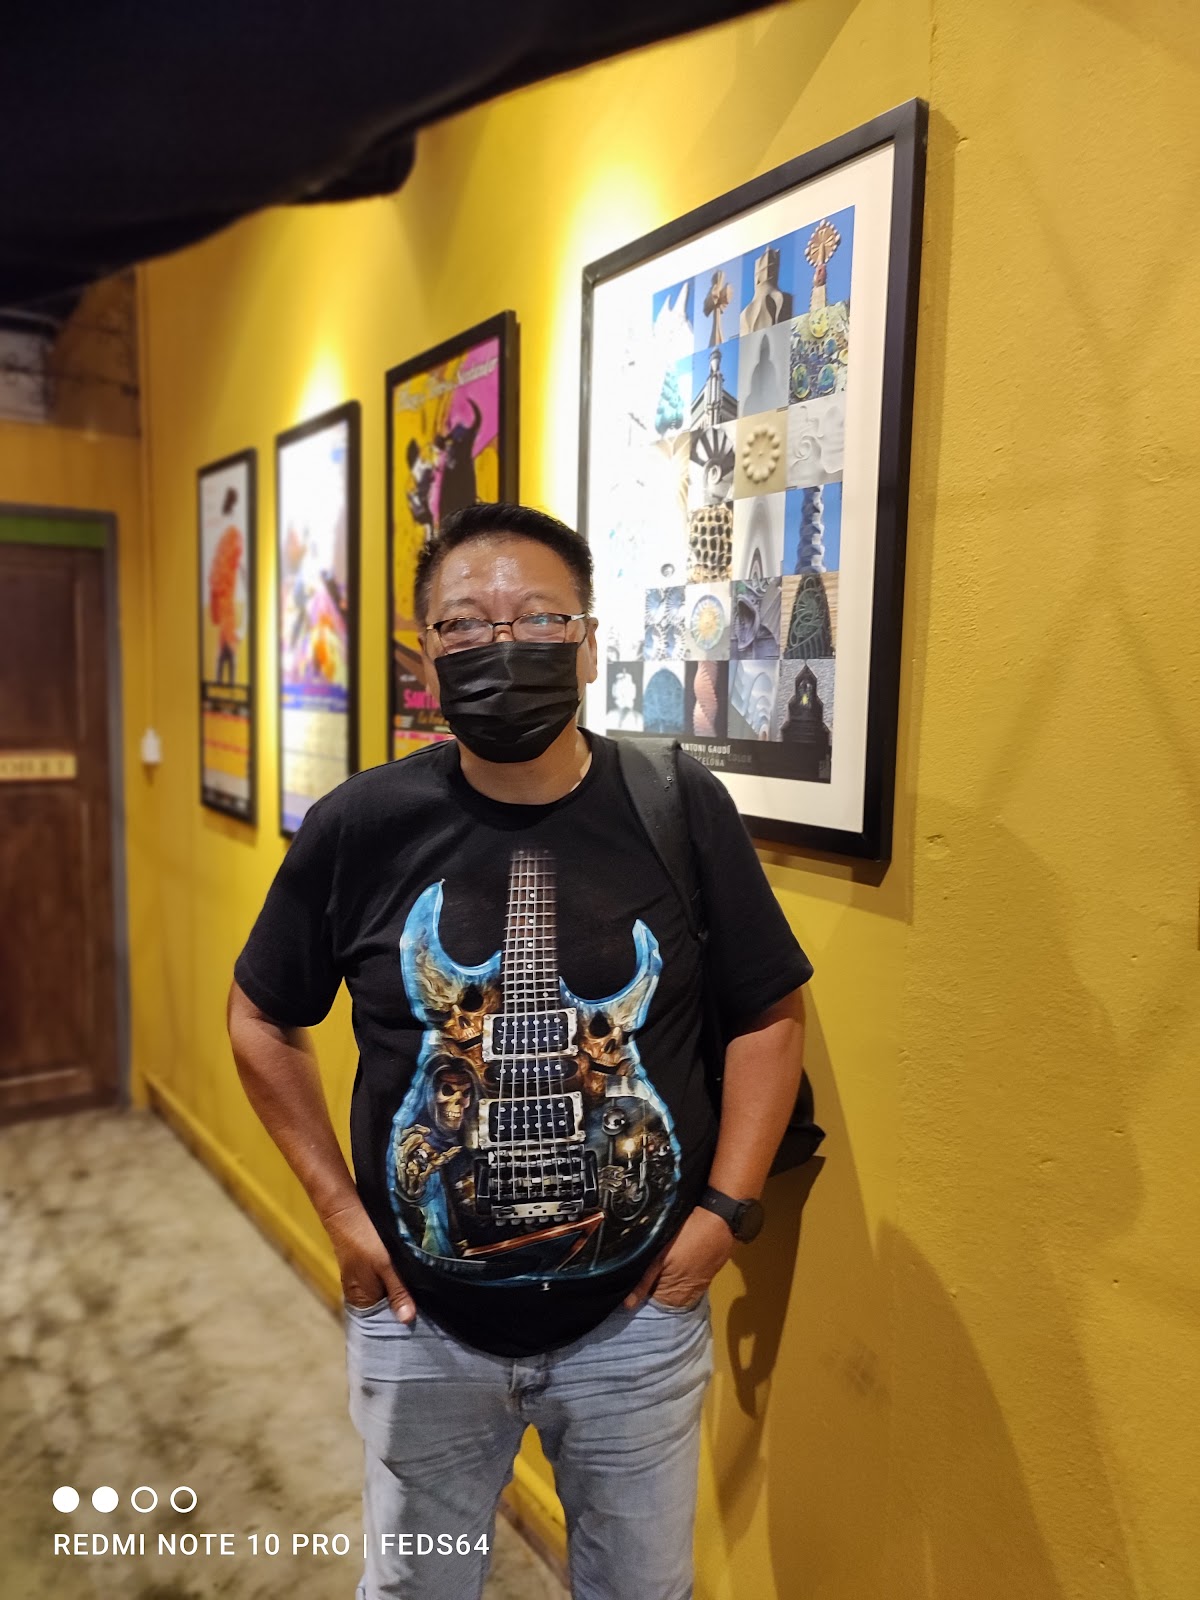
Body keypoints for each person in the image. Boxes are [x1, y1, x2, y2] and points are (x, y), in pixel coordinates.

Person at [227, 501, 814, 1600]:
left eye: (539, 618)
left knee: (640, 1590)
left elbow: (768, 1013)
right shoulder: (362, 825)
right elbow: (261, 1015)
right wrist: (341, 1214)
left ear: (588, 643)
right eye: (464, 624)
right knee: (417, 1586)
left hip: (637, 1326)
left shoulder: (678, 805)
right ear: (425, 655)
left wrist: (721, 1219)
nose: (502, 644)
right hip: (422, 1329)